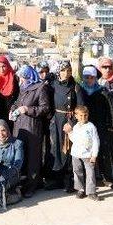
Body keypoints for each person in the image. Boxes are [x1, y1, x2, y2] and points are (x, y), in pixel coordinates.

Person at [9, 64, 50, 198]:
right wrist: (12, 109)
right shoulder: (23, 87)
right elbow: (17, 102)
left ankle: (31, 186)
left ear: (29, 76)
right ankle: (20, 183)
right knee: (20, 156)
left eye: (22, 78)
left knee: (33, 158)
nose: (20, 81)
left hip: (32, 127)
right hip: (19, 128)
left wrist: (28, 109)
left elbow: (44, 108)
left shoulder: (40, 87)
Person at [77, 65, 113, 188]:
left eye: (91, 77)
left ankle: (107, 178)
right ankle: (89, 179)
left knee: (103, 152)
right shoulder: (80, 90)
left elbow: (111, 109)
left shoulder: (102, 91)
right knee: (86, 152)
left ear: (95, 78)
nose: (88, 80)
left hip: (100, 126)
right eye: (86, 77)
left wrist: (112, 124)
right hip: (84, 126)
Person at [46, 60, 77, 191]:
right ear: (59, 72)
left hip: (68, 121)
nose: (66, 73)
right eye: (63, 70)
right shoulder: (53, 85)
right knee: (55, 149)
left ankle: (68, 180)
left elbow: (80, 107)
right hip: (55, 121)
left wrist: (72, 123)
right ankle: (56, 179)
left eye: (69, 70)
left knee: (68, 150)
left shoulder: (75, 87)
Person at [64, 105, 102, 201]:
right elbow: (74, 140)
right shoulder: (76, 127)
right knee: (77, 172)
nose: (83, 117)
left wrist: (94, 155)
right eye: (81, 115)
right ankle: (80, 189)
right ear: (76, 116)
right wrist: (69, 133)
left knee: (90, 173)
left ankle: (91, 192)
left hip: (88, 155)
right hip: (76, 154)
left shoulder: (91, 127)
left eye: (85, 115)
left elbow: (96, 141)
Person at [0, 120, 24, 210]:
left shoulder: (17, 143)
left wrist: (4, 174)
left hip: (11, 173)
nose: (1, 134)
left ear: (8, 130)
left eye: (3, 130)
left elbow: (18, 164)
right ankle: (2, 197)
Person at [98, 56, 113, 166]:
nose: (107, 69)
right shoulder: (95, 81)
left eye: (109, 67)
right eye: (104, 67)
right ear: (100, 68)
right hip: (99, 117)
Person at [0, 55, 19, 123]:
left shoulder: (14, 79)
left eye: (4, 66)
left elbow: (18, 95)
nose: (2, 69)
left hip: (13, 113)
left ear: (7, 66)